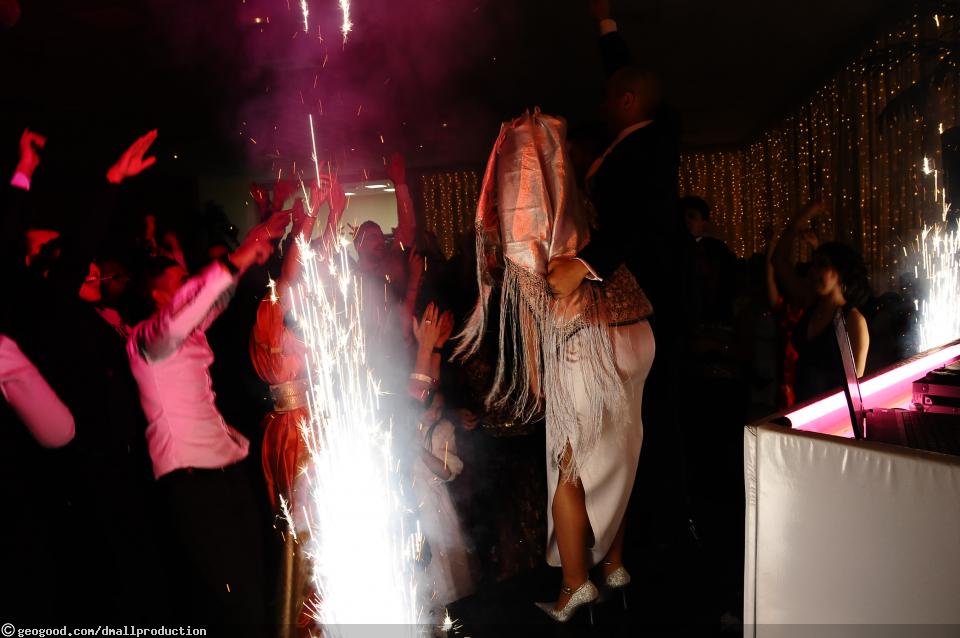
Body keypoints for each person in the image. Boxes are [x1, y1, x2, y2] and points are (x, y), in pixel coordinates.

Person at [127, 211, 288, 634]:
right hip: (192, 484)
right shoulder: (147, 339)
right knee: (229, 600)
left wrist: (255, 244)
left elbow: (214, 299)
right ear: (158, 295)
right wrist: (237, 258)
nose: (193, 283)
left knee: (254, 584)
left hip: (227, 474)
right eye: (182, 280)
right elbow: (193, 307)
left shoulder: (190, 330)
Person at [250, 173, 346, 638]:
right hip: (292, 434)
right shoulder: (271, 313)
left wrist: (335, 214)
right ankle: (307, 620)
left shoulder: (299, 314)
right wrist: (310, 214)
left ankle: (327, 608)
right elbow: (293, 272)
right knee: (307, 525)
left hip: (308, 425)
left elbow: (317, 264)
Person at [409, 303, 476, 611]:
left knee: (442, 560)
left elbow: (425, 391)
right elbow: (419, 396)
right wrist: (429, 347)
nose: (433, 411)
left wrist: (432, 348)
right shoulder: (413, 421)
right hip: (411, 502)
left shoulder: (441, 429)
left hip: (434, 502)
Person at [772, 202, 870, 403]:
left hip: (829, 415)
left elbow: (854, 391)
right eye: (813, 264)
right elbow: (779, 261)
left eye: (822, 265)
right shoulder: (810, 302)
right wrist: (800, 218)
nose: (812, 271)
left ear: (841, 271)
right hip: (798, 409)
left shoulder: (853, 321)